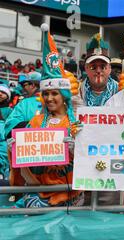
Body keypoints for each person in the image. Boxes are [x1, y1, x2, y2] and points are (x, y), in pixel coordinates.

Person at [8, 24, 83, 208]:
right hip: (37, 193)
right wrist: (15, 150)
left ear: (64, 96)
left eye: (55, 93)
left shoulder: (77, 123)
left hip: (70, 195)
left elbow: (92, 162)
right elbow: (23, 167)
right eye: (46, 94)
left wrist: (77, 150)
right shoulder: (35, 121)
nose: (49, 98)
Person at [77, 34, 118, 107]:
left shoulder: (120, 90)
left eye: (103, 67)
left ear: (109, 68)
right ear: (86, 68)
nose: (98, 71)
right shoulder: (77, 92)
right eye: (93, 67)